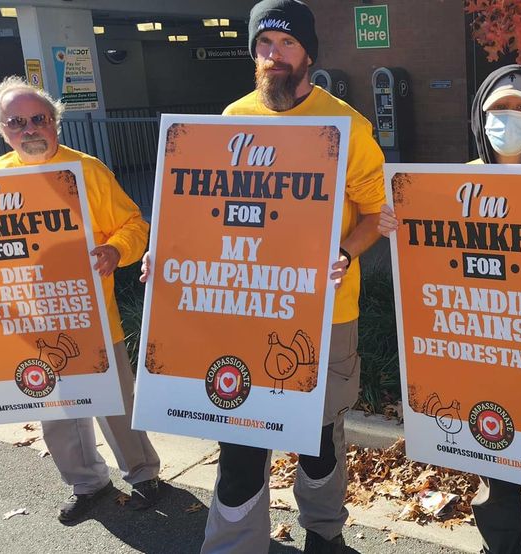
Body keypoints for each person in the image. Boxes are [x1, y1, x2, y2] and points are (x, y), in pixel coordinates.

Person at [137, 1, 385, 552]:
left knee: (320, 436)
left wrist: (345, 251)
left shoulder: (346, 126)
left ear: (308, 54)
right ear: (254, 53)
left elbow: (378, 215)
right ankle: (234, 543)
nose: (275, 56)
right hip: (242, 310)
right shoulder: (232, 119)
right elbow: (204, 208)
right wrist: (168, 256)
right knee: (241, 433)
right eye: (265, 45)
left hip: (324, 312)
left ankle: (324, 534)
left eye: (287, 44)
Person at [377, 64, 521, 554]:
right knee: (494, 473)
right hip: (482, 361)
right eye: (499, 107)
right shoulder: (457, 185)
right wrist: (400, 224)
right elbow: (429, 260)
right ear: (480, 116)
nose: (510, 117)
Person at [0, 75, 162, 523]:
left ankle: (144, 474)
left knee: (114, 401)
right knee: (55, 409)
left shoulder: (86, 171)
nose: (29, 128)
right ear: (2, 130)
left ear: (54, 122)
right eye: (17, 122)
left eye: (38, 119)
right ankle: (88, 484)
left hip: (89, 316)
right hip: (28, 321)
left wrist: (116, 250)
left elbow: (134, 224)